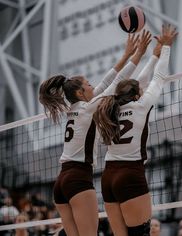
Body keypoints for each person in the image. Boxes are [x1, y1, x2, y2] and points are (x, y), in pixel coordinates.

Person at [39, 31, 152, 236]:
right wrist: (138, 55)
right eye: (89, 84)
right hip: (78, 179)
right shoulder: (87, 109)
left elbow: (106, 81)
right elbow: (116, 81)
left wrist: (126, 55)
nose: (94, 85)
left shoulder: (74, 109)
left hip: (61, 182)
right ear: (81, 93)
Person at [94, 25, 177, 236]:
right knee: (140, 234)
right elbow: (158, 78)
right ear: (137, 95)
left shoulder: (110, 107)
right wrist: (165, 48)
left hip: (108, 177)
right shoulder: (141, 105)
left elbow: (138, 83)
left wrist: (153, 56)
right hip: (130, 175)